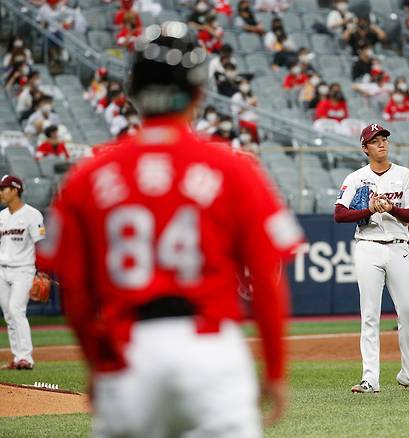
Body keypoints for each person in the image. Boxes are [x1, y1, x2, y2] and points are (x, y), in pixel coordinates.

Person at [36, 21, 303, 436]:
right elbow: (269, 285)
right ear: (199, 92)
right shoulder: (233, 169)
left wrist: (96, 363)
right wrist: (276, 370)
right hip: (212, 349)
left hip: (129, 354)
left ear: (132, 93)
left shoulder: (89, 176)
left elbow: (75, 289)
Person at [334, 123, 409, 394]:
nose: (382, 143)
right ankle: (371, 378)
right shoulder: (356, 177)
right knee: (370, 315)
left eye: (384, 139)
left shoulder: (404, 175)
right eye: (375, 140)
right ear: (365, 147)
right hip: (368, 246)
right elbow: (340, 214)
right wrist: (367, 209)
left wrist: (391, 208)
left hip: (398, 247)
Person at [0, 175, 45, 370]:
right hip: (2, 270)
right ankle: (18, 357)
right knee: (9, 314)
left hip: (24, 270)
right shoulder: (1, 216)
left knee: (17, 310)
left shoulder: (33, 215)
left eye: (4, 189)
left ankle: (26, 357)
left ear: (15, 189)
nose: (1, 192)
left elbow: (40, 243)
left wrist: (41, 272)